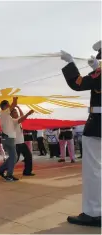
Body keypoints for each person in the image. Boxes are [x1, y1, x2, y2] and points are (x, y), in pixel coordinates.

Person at [60, 42, 101, 227]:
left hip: (97, 125)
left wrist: (70, 63)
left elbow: (78, 83)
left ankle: (93, 213)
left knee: (93, 170)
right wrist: (95, 69)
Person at [0, 97, 34, 182]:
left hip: (10, 139)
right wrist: (15, 99)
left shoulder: (8, 118)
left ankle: (1, 170)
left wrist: (27, 114)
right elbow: (14, 105)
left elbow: (21, 118)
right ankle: (9, 175)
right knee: (14, 158)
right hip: (10, 140)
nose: (10, 107)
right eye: (8, 105)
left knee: (14, 157)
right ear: (5, 107)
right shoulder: (4, 114)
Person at [11, 106, 35, 176]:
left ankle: (27, 172)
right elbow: (22, 118)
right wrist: (28, 114)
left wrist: (18, 108)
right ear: (11, 115)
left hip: (21, 143)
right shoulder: (13, 121)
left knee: (28, 156)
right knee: (15, 159)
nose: (16, 113)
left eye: (16, 112)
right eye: (15, 112)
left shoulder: (17, 119)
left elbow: (22, 116)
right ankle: (2, 169)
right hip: (16, 144)